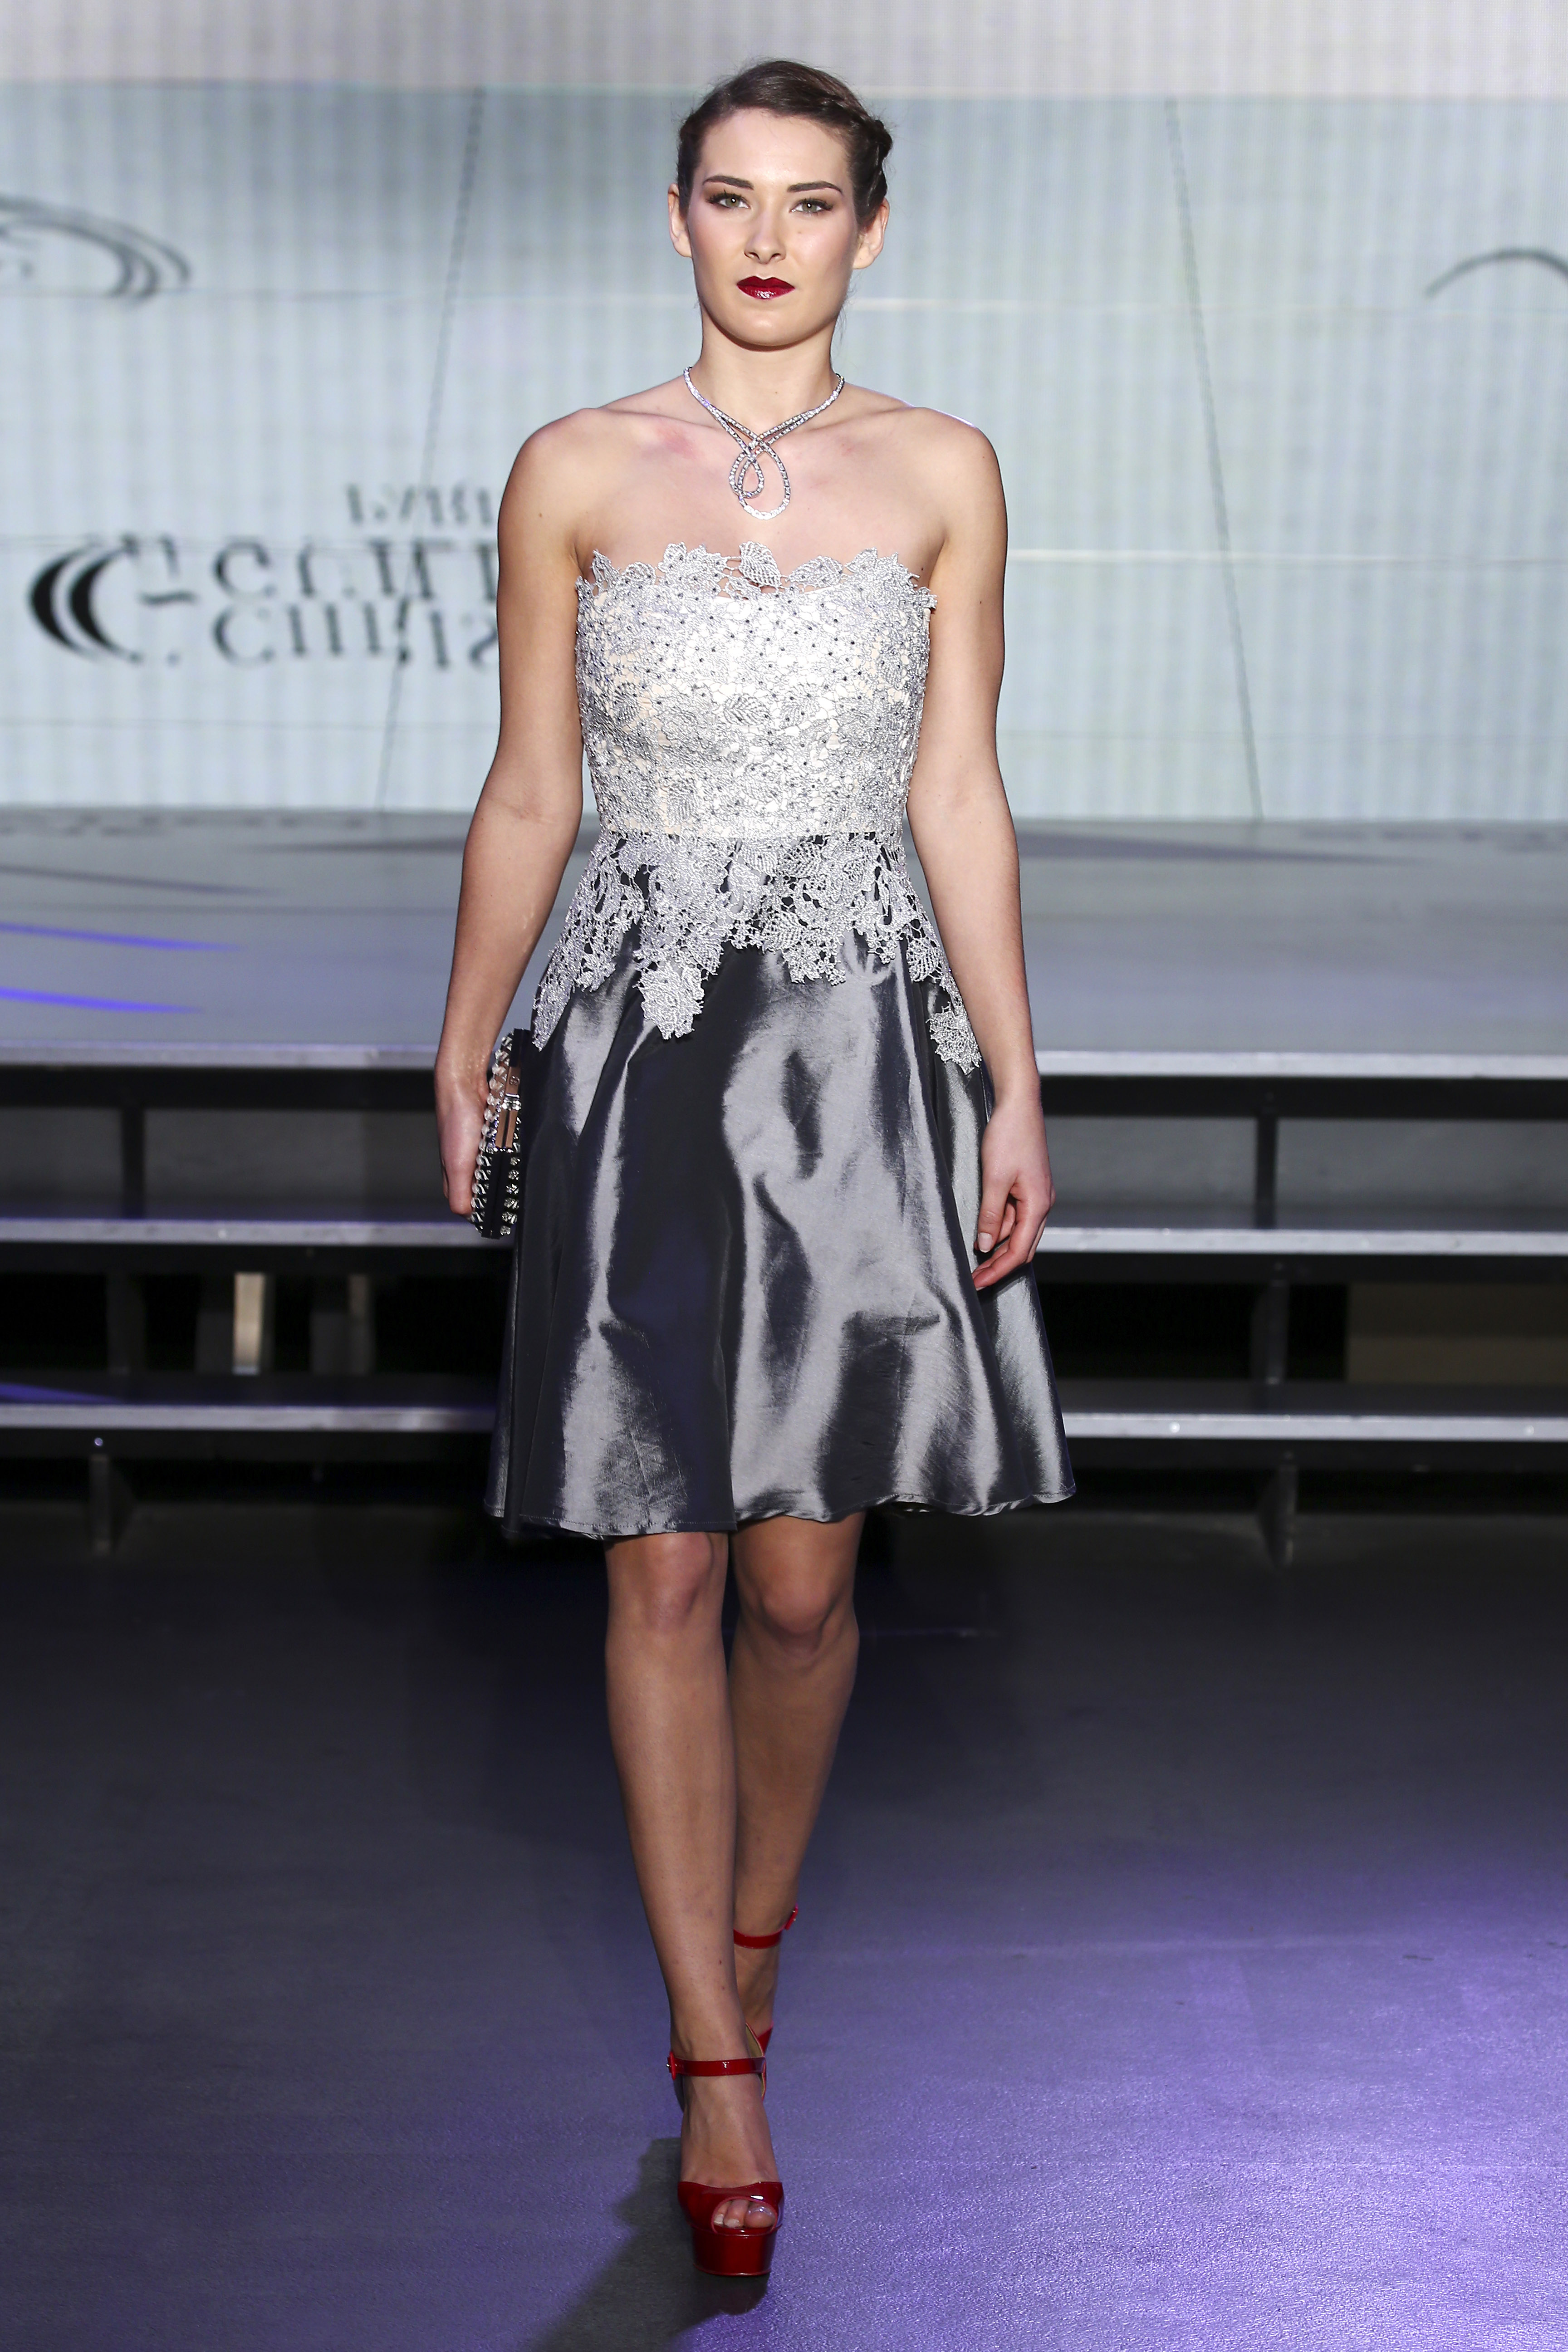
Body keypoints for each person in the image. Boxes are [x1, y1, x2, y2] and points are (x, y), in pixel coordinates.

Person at [434, 58, 1072, 2278]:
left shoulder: (946, 470)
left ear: (871, 228)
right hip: (633, 1047)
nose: (771, 238)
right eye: (732, 197)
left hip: (858, 1057)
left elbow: (960, 791)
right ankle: (715, 2059)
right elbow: (532, 787)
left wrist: (1015, 1081)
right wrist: (466, 1041)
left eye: (812, 202)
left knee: (806, 1585)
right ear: (679, 215)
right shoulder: (575, 467)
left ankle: (756, 1940)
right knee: (666, 1571)